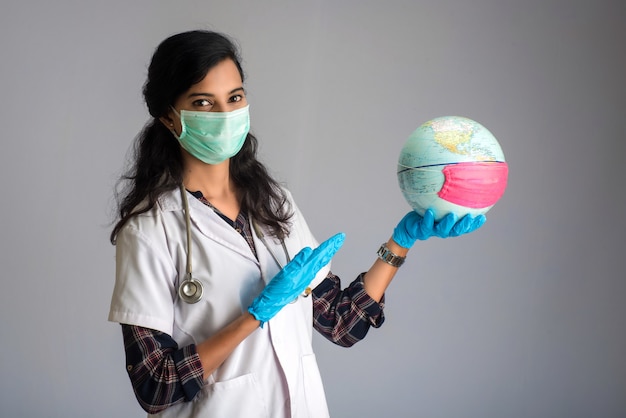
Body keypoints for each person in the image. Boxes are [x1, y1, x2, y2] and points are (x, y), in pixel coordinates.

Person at [108, 30, 485, 418]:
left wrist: (401, 241)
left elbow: (341, 322)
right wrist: (254, 316)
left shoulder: (273, 203)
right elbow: (155, 385)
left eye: (234, 98)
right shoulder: (150, 230)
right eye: (204, 103)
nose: (224, 116)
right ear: (170, 117)